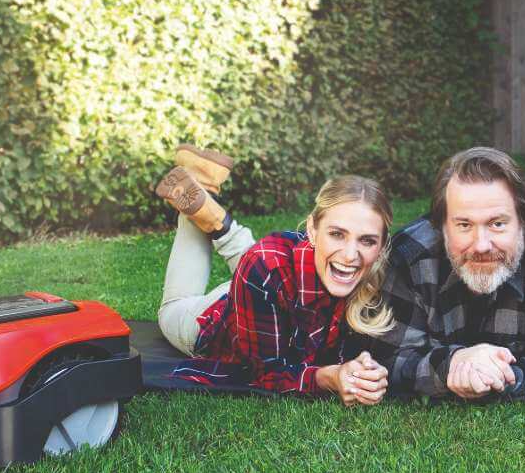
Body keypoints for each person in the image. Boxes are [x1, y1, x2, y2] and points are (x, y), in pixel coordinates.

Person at [154, 146, 393, 406]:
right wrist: (330, 376)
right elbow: (265, 374)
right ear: (312, 230)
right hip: (216, 320)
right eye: (337, 234)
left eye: (367, 240)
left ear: (381, 245)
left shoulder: (377, 276)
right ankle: (202, 191)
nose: (350, 255)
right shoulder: (265, 267)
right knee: (174, 307)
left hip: (269, 288)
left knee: (266, 266)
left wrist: (365, 369)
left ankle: (207, 196)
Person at [371, 146, 525, 400]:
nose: (481, 245)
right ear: (441, 225)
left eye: (497, 224)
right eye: (464, 225)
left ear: (524, 221)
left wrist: (492, 377)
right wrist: (452, 364)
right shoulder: (407, 258)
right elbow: (391, 360)